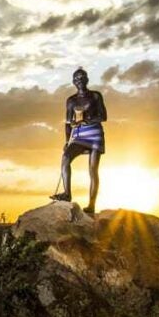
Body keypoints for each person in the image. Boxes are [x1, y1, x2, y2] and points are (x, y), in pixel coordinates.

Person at [50, 67, 106, 214]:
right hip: (79, 135)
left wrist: (87, 120)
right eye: (76, 79)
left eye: (82, 78)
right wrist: (67, 141)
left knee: (93, 170)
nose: (79, 81)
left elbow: (103, 116)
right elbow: (68, 123)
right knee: (65, 157)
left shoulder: (95, 96)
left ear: (87, 79)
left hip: (94, 134)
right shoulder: (71, 101)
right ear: (73, 82)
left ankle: (91, 205)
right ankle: (67, 194)